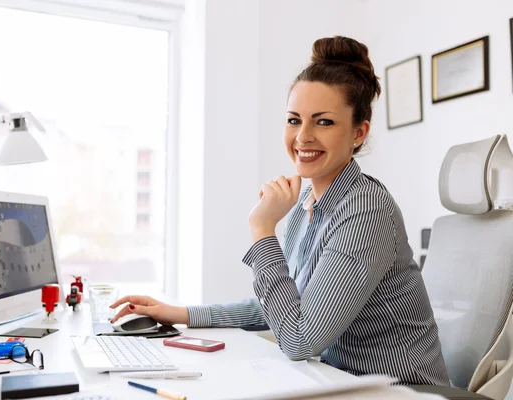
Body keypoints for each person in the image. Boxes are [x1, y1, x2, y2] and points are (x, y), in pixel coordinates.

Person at [110, 36, 449, 386]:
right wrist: (179, 313)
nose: (302, 137)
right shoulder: (306, 206)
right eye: (293, 120)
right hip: (342, 383)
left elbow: (300, 339)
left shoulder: (366, 209)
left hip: (402, 392)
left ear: (358, 133)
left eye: (324, 122)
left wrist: (262, 228)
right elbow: (284, 309)